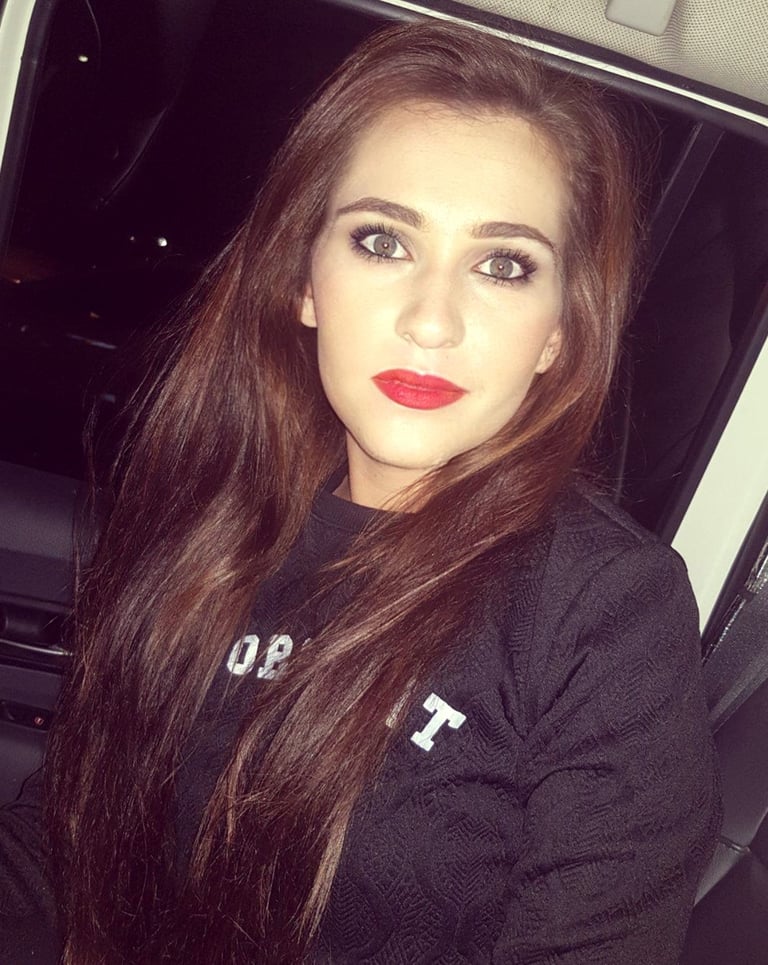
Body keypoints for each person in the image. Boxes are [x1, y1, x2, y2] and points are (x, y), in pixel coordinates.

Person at [0, 20, 719, 965]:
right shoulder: (211, 524)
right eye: (382, 242)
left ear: (557, 333)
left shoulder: (606, 609)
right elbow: (61, 843)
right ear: (304, 281)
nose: (431, 320)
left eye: (504, 264)